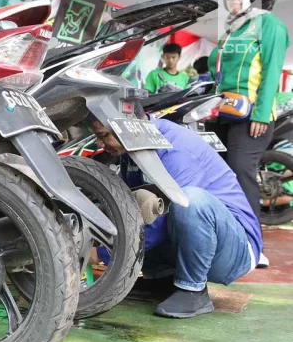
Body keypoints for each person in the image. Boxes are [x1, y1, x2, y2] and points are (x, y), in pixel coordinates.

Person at [89, 113, 262, 318]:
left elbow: (165, 216)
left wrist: (105, 254)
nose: (100, 143)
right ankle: (162, 281)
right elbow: (131, 210)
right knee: (141, 204)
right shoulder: (134, 147)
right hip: (198, 240)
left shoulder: (175, 148)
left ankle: (193, 291)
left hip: (235, 250)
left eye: (104, 136)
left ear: (128, 127)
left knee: (189, 201)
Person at [207, 0, 288, 268]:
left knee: (242, 172)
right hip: (222, 112)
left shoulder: (271, 26)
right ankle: (220, 239)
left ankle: (253, 245)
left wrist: (262, 113)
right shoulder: (232, 29)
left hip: (251, 116)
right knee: (214, 172)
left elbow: (271, 73)